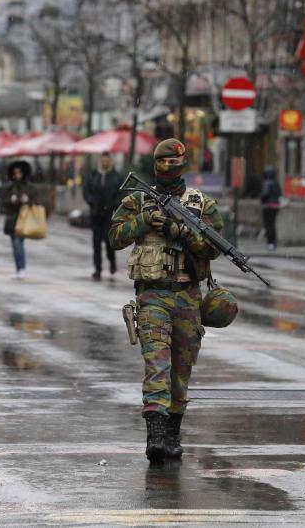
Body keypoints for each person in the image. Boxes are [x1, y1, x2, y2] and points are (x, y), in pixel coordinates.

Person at [109, 139, 224, 464]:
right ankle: (156, 435)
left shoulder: (201, 205)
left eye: (174, 164)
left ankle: (172, 432)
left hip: (188, 296)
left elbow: (215, 247)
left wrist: (183, 232)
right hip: (153, 295)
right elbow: (115, 237)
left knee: (181, 371)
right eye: (163, 163)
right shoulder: (139, 201)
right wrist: (145, 222)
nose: (169, 170)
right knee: (156, 365)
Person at [82, 151, 124, 280]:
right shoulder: (93, 175)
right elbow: (86, 191)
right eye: (103, 160)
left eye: (107, 160)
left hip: (110, 215)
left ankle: (111, 261)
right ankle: (98, 269)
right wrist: (91, 201)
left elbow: (121, 193)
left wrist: (114, 205)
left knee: (108, 240)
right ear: (100, 161)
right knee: (96, 242)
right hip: (96, 214)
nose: (105, 162)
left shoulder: (116, 177)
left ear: (110, 161)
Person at [3, 160, 32, 279]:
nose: (17, 175)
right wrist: (11, 200)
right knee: (15, 245)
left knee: (18, 243)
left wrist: (27, 200)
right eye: (15, 173)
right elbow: (3, 201)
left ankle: (22, 269)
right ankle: (19, 269)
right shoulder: (10, 187)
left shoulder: (28, 187)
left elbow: (36, 201)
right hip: (12, 220)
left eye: (19, 173)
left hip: (24, 219)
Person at [260, 166, 282, 251]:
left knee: (268, 225)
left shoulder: (267, 183)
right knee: (272, 225)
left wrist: (262, 199)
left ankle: (270, 243)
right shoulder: (276, 183)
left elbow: (264, 194)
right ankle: (274, 242)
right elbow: (280, 194)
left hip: (268, 206)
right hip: (275, 206)